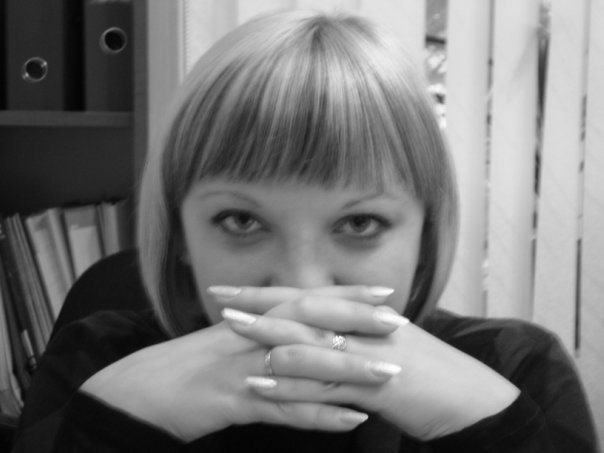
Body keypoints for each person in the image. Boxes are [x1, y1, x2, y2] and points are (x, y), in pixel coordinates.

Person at [13, 10, 599, 453]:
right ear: (181, 233)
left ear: (424, 235)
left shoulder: (515, 370)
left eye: (360, 223)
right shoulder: (98, 364)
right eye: (242, 221)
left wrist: (494, 432)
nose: (302, 286)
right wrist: (108, 426)